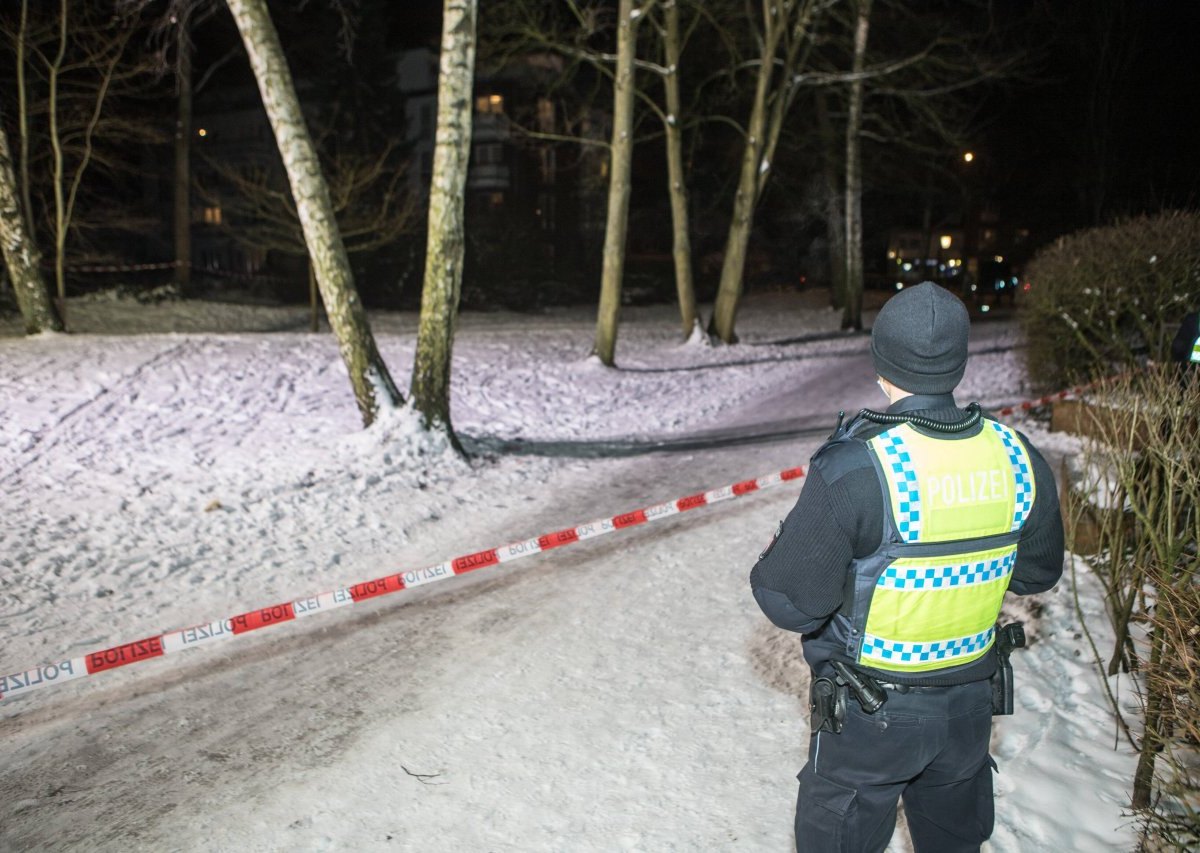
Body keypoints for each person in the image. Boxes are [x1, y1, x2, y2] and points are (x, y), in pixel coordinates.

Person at [750, 281, 1064, 853]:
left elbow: (790, 602)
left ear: (882, 365)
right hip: (969, 709)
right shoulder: (1018, 455)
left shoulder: (859, 466)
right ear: (959, 363)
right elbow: (1036, 575)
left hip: (867, 718)